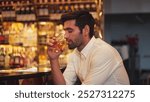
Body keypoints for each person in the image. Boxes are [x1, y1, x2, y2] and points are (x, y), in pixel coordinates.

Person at [47, 10, 130, 85]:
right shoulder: (75, 54)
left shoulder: (103, 52)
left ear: (86, 30)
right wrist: (53, 59)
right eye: (64, 31)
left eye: (70, 31)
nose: (65, 35)